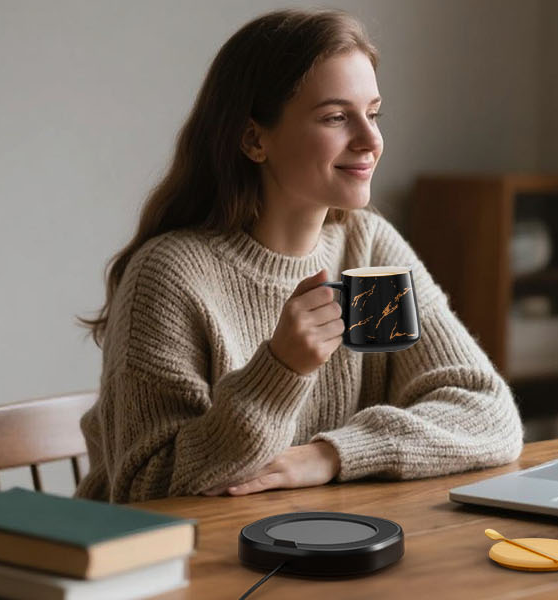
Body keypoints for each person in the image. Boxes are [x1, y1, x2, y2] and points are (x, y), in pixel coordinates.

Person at [75, 8, 522, 503]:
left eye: (373, 114)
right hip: (188, 551)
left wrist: (329, 456)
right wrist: (280, 370)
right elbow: (144, 488)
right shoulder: (169, 276)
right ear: (254, 139)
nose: (371, 140)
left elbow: (489, 413)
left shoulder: (367, 248)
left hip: (322, 535)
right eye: (336, 117)